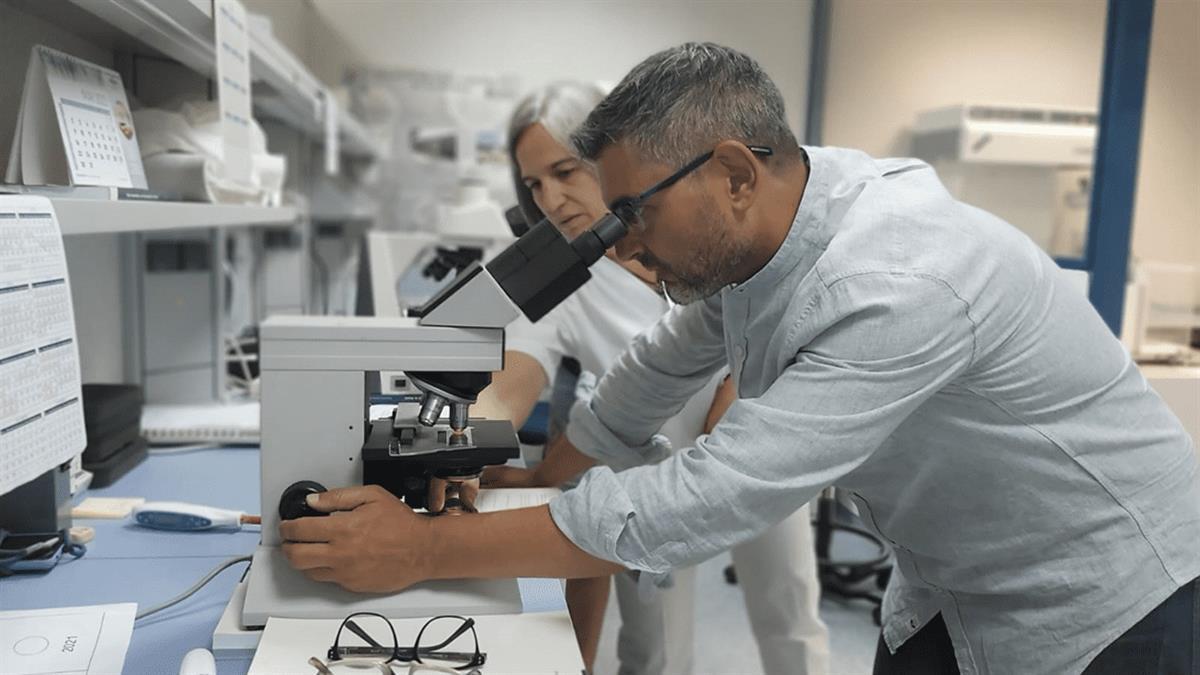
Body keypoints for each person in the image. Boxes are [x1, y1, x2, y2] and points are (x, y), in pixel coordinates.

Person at [281, 43, 1200, 674]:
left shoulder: (896, 279)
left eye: (631, 210)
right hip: (954, 580)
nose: (620, 242)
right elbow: (644, 378)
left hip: (1109, 596)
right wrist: (528, 478)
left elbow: (704, 499)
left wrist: (423, 547)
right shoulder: (777, 215)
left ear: (731, 171)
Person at [469, 81, 829, 675]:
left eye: (566, 172)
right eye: (535, 184)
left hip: (760, 424)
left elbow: (762, 300)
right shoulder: (563, 281)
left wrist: (735, 391)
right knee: (655, 639)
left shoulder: (697, 223)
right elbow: (516, 372)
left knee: (789, 610)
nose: (553, 199)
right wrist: (470, 437)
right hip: (648, 460)